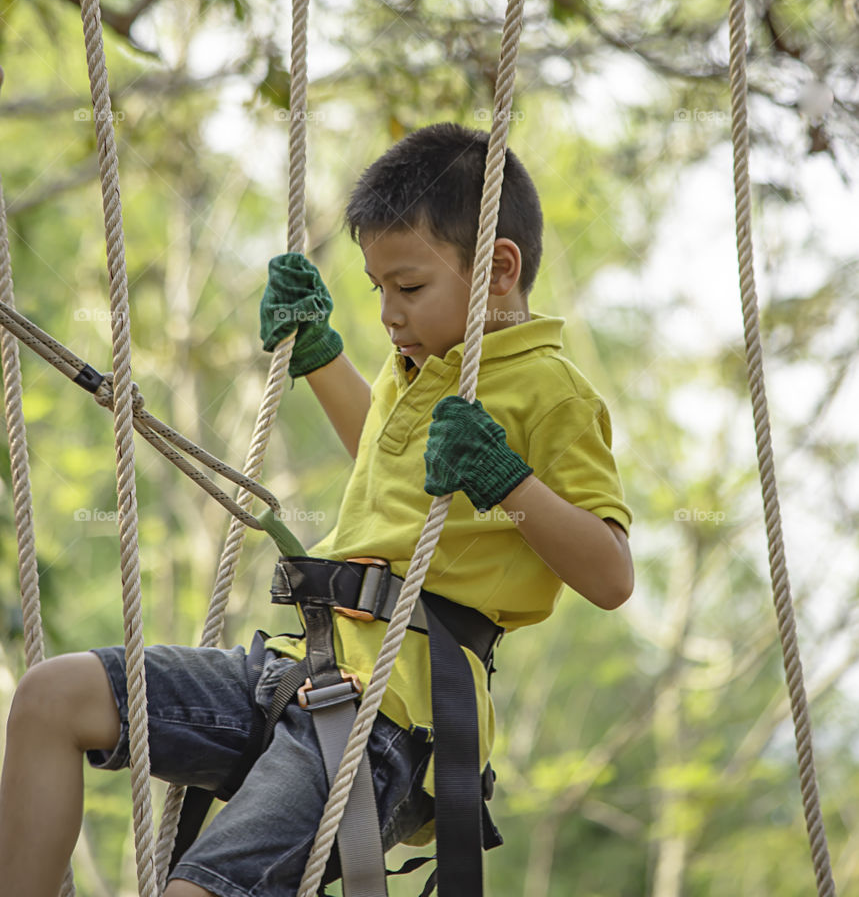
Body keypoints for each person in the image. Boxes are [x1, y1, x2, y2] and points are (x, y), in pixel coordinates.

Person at [0, 122, 633, 897]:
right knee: (50, 698)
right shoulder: (418, 366)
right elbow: (380, 456)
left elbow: (609, 574)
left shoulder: (550, 390)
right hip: (302, 668)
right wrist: (320, 353)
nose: (388, 313)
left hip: (391, 716)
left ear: (498, 269)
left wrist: (505, 479)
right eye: (378, 291)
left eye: (409, 288)